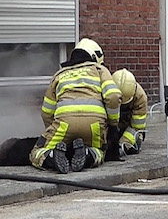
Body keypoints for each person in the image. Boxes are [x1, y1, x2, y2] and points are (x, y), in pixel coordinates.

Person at [31, 38, 121, 173]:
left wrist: (52, 129)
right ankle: (86, 154)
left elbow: (46, 111)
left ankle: (51, 156)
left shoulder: (59, 74)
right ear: (94, 57)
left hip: (64, 124)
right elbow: (113, 96)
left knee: (36, 152)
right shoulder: (99, 69)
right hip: (94, 126)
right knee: (100, 151)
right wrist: (113, 124)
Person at [108, 69, 148, 160]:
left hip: (128, 127)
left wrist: (123, 145)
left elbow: (136, 127)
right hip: (111, 126)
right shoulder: (106, 93)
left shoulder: (141, 97)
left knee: (133, 147)